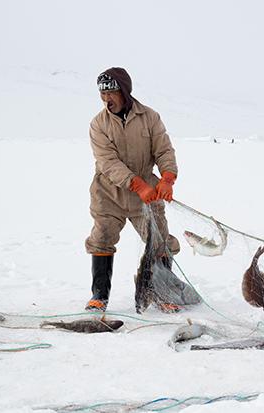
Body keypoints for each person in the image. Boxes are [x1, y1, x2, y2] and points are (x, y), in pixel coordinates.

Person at [84, 67, 180, 311]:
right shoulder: (98, 124)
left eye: (111, 92)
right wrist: (137, 184)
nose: (106, 99)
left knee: (159, 241)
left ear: (124, 91)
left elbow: (163, 150)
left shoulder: (150, 117)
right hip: (108, 193)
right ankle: (99, 297)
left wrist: (167, 178)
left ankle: (163, 294)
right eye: (102, 94)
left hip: (147, 194)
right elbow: (108, 162)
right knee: (102, 239)